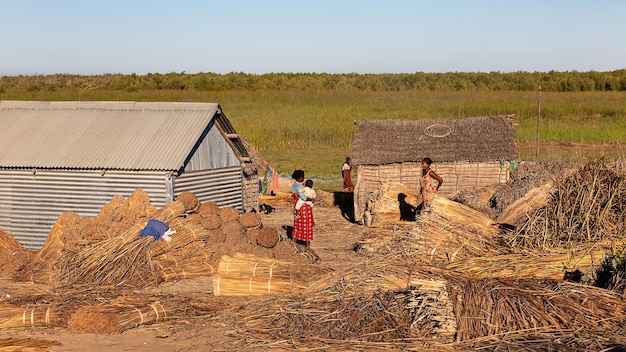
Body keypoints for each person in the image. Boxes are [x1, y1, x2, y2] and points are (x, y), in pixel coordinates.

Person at [291, 169, 315, 248]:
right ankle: (307, 246)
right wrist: (311, 199)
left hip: (296, 208)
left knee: (297, 226)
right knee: (307, 227)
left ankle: (293, 244)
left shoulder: (294, 185)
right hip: (303, 209)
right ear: (300, 178)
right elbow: (304, 197)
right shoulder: (300, 186)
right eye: (303, 177)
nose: (303, 178)